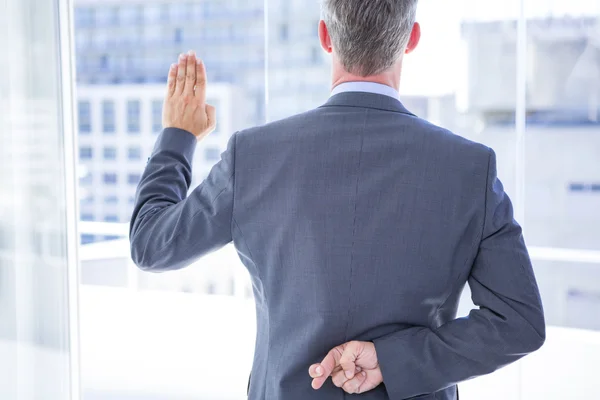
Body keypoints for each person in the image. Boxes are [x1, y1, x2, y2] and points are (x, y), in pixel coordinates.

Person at [129, 0, 546, 398]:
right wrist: (392, 360)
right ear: (412, 38)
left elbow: (151, 244)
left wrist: (177, 138)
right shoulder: (470, 168)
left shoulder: (253, 155)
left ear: (325, 36)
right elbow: (519, 322)